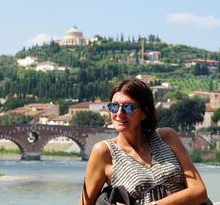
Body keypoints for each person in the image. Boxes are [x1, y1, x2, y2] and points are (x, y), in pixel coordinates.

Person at [79, 78, 210, 205]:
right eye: (114, 106)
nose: (119, 113)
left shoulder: (167, 137)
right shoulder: (104, 151)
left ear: (144, 112)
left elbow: (199, 191)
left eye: (127, 107)